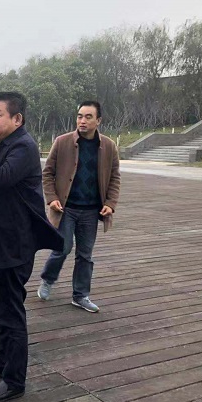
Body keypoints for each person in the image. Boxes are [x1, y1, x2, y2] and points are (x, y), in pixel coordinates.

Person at [0, 92, 63, 402]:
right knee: (0, 306)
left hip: (14, 245)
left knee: (11, 311)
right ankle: (0, 360)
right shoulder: (8, 144)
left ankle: (15, 380)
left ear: (17, 119)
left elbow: (0, 177)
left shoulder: (24, 147)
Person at [37, 100, 121, 313]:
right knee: (62, 248)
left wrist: (110, 203)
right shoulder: (62, 142)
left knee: (85, 255)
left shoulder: (108, 146)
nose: (82, 121)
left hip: (91, 210)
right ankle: (48, 279)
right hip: (66, 208)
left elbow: (114, 177)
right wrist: (51, 198)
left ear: (98, 120)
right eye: (79, 116)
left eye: (88, 117)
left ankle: (80, 295)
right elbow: (47, 173)